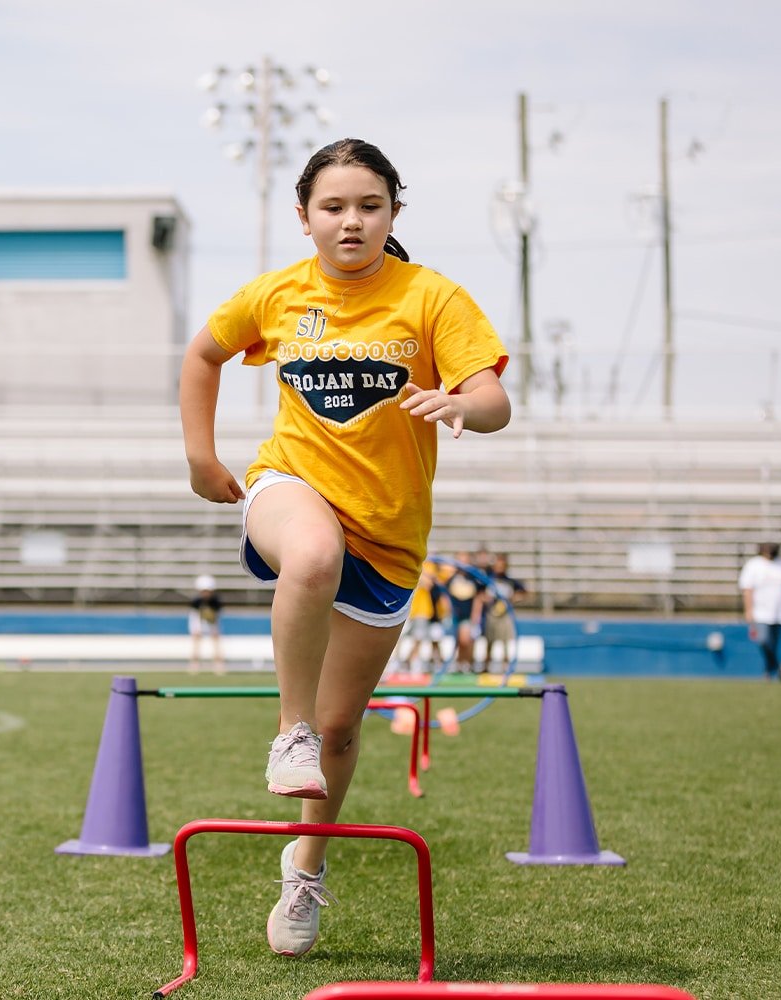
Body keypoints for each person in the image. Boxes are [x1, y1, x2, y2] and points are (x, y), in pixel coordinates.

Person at [178, 138, 511, 958]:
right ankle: (286, 730)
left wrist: (464, 403)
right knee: (313, 557)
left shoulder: (433, 298)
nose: (351, 220)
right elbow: (204, 354)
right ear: (304, 219)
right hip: (289, 488)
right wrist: (200, 458)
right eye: (333, 207)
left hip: (391, 535)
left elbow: (497, 397)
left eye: (369, 205)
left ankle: (306, 868)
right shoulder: (278, 293)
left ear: (395, 211)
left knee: (343, 731)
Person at [738, 542, 781, 682]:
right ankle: (779, 667)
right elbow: (747, 589)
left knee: (774, 645)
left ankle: (768, 672)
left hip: (780, 613)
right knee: (763, 640)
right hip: (760, 613)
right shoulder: (753, 565)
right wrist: (748, 611)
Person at [480, 552, 527, 673]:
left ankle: (505, 668)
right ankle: (486, 667)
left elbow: (522, 593)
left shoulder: (510, 581)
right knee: (489, 641)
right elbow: (480, 595)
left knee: (505, 642)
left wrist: (512, 599)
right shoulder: (488, 579)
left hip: (505, 615)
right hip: (491, 614)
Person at [187, 574, 226, 674]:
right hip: (199, 621)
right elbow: (194, 616)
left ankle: (218, 664)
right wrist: (197, 628)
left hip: (212, 622)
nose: (205, 594)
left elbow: (217, 616)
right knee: (196, 641)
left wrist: (215, 627)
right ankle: (194, 664)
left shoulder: (216, 602)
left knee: (216, 640)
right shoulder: (196, 602)